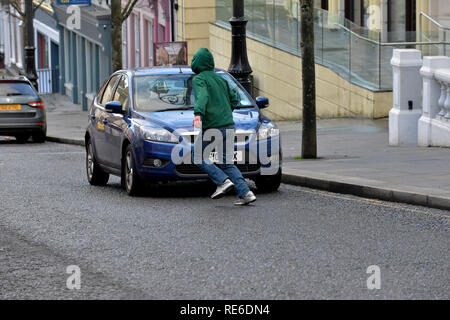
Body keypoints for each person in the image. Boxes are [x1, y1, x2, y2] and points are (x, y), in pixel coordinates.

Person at [191, 48, 256, 206]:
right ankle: (246, 193)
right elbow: (234, 99)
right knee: (227, 162)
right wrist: (224, 112)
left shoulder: (199, 79)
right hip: (229, 125)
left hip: (212, 127)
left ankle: (222, 181)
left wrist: (198, 114)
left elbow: (203, 97)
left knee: (198, 156)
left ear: (197, 63)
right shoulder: (221, 79)